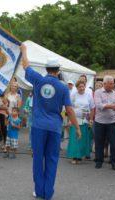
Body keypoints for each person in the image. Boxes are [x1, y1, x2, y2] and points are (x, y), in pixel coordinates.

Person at [21, 44, 81, 200]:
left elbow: (26, 65)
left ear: (47, 69)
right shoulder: (63, 88)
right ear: (58, 70)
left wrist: (23, 50)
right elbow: (69, 110)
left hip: (38, 126)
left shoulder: (38, 80)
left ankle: (39, 190)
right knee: (52, 160)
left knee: (38, 159)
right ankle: (48, 193)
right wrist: (77, 127)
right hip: (54, 127)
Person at [94, 75, 115, 171]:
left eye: (113, 83)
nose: (113, 85)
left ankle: (114, 162)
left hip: (112, 122)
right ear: (105, 84)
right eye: (111, 83)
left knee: (114, 143)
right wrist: (110, 106)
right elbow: (99, 105)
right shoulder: (97, 92)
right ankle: (98, 161)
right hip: (99, 121)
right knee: (99, 142)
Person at [67, 80, 95, 164]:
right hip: (74, 119)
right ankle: (74, 156)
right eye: (80, 87)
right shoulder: (73, 95)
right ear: (77, 87)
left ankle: (79, 156)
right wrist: (69, 119)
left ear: (85, 87)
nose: (82, 88)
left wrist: (91, 119)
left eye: (83, 86)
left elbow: (92, 108)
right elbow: (69, 108)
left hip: (85, 119)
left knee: (82, 139)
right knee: (74, 138)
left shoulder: (88, 95)